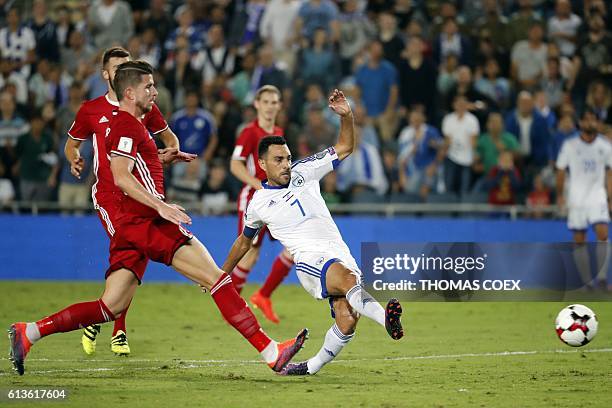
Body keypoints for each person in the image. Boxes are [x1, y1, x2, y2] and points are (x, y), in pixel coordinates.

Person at [8, 60, 307, 377]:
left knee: (110, 306)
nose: (155, 91)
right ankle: (271, 351)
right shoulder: (127, 125)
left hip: (134, 223)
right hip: (146, 221)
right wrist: (161, 207)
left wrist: (161, 156)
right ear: (129, 91)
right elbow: (121, 177)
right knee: (217, 278)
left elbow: (128, 165)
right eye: (148, 86)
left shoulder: (133, 124)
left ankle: (29, 332)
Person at [222, 89, 403, 376]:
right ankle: (387, 320)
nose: (286, 165)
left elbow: (344, 147)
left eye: (288, 158)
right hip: (309, 260)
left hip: (337, 250)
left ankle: (308, 368)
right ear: (262, 164)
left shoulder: (305, 170)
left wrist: (347, 116)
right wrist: (222, 274)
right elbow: (244, 242)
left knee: (347, 319)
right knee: (347, 281)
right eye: (279, 160)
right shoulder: (259, 204)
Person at [64, 47, 192, 356]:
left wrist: (167, 153)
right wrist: (74, 159)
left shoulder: (144, 107)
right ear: (107, 74)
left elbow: (169, 140)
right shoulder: (90, 110)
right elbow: (72, 145)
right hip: (109, 197)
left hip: (138, 195)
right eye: (118, 67)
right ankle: (114, 323)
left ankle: (104, 315)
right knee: (131, 253)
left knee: (134, 255)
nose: (124, 71)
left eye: (127, 66)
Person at [229, 85, 294, 324]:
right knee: (249, 252)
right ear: (257, 104)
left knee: (294, 247)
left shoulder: (278, 132)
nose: (270, 106)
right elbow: (235, 165)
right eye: (265, 101)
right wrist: (257, 185)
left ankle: (263, 295)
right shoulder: (249, 132)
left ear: (279, 106)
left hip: (277, 197)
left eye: (274, 102)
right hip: (255, 197)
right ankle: (232, 303)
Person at [556, 109, 612, 289]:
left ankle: (602, 279)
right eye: (586, 120)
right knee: (579, 239)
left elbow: (610, 173)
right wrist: (559, 195)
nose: (590, 123)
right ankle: (587, 282)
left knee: (602, 233)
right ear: (580, 123)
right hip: (577, 197)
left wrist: (610, 197)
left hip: (598, 195)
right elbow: (560, 170)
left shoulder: (605, 146)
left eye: (593, 120)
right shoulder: (570, 145)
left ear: (597, 123)